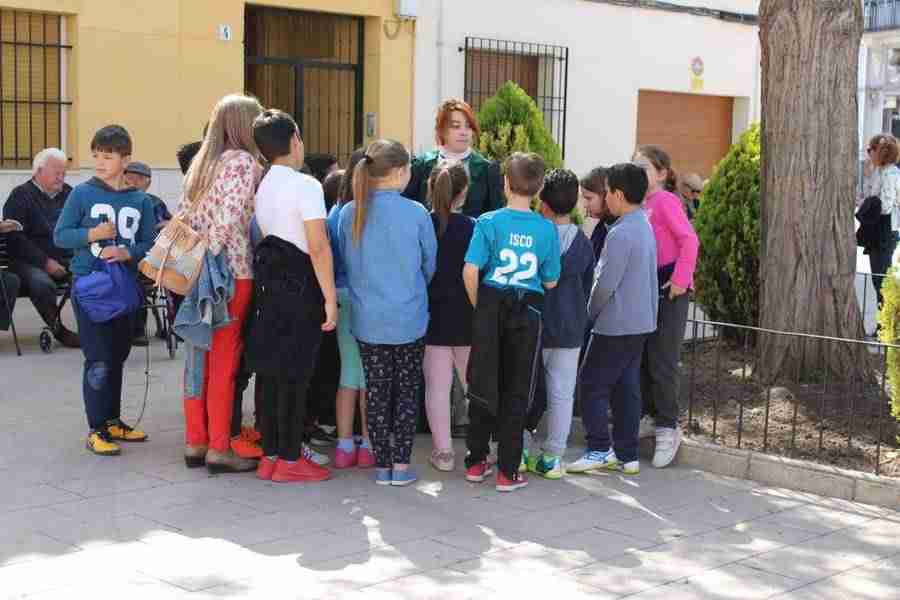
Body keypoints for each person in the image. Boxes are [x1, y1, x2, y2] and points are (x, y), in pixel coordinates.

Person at [337, 139, 438, 486]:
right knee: (407, 392)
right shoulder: (416, 213)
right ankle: (400, 466)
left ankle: (381, 467)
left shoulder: (349, 212)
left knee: (377, 393)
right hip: (409, 317)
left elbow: (347, 265)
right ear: (399, 172)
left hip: (367, 319)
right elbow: (430, 265)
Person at [247, 109, 337, 483]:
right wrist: (330, 299)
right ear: (295, 140)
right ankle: (288, 458)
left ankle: (271, 455)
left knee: (270, 372)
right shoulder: (306, 185)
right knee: (296, 373)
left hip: (269, 283)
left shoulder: (264, 183)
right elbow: (318, 246)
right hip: (301, 283)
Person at [54, 125, 156, 456]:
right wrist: (92, 235)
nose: (99, 162)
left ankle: (112, 420)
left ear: (126, 159)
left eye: (107, 156)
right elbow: (60, 235)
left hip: (125, 288)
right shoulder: (81, 194)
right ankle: (95, 428)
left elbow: (150, 243)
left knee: (117, 357)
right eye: (96, 155)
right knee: (97, 359)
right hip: (91, 287)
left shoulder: (141, 200)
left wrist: (130, 252)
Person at [463, 152, 560, 493]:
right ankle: (508, 470)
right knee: (517, 390)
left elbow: (471, 269)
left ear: (505, 182)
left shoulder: (487, 222)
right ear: (538, 189)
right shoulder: (547, 229)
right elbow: (551, 281)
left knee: (483, 382)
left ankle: (476, 461)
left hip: (491, 302)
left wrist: (481, 308)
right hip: (527, 310)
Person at [180, 94, 264, 474]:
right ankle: (218, 447)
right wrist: (213, 254)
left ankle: (195, 440)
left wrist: (196, 259)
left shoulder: (202, 161)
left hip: (195, 269)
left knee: (197, 359)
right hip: (231, 273)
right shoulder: (245, 162)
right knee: (224, 363)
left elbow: (185, 216)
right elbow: (229, 219)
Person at [567, 163, 658, 476]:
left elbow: (604, 283)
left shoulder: (619, 233)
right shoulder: (643, 224)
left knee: (591, 384)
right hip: (640, 323)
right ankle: (627, 454)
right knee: (625, 388)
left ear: (618, 194)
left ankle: (597, 449)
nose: (605, 198)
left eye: (606, 192)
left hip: (615, 324)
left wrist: (588, 314)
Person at [525, 169, 595, 480]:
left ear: (544, 205)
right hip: (570, 329)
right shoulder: (584, 243)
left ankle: (521, 446)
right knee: (562, 394)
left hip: (536, 325)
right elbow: (587, 284)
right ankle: (553, 457)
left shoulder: (536, 237)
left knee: (524, 388)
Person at [633, 145, 700, 468]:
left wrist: (679, 279)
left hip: (669, 289)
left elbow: (689, 240)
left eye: (644, 167)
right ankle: (649, 415)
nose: (638, 172)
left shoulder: (666, 201)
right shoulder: (639, 205)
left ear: (661, 173)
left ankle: (668, 426)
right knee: (645, 357)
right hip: (646, 290)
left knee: (663, 359)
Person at [423, 159, 474, 472]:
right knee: (474, 387)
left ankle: (443, 453)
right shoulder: (473, 226)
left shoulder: (422, 223)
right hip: (467, 316)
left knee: (437, 389)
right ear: (463, 192)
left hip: (432, 317)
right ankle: (480, 448)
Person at [2, 148, 79, 348]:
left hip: (67, 257)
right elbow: (15, 239)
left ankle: (97, 330)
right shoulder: (20, 195)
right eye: (57, 172)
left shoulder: (69, 193)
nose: (61, 177)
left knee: (94, 278)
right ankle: (59, 331)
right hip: (26, 262)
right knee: (41, 283)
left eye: (64, 173)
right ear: (38, 171)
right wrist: (45, 262)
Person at [329, 149, 375, 470]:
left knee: (348, 375)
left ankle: (345, 446)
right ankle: (370, 445)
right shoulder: (374, 213)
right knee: (371, 377)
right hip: (371, 300)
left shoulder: (337, 214)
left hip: (342, 295)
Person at [404, 99, 503, 219]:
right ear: (442, 130)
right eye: (456, 126)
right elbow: (408, 210)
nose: (464, 132)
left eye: (468, 126)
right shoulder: (421, 165)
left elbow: (495, 216)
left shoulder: (487, 169)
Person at [123, 161, 172, 346]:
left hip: (153, 255)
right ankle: (137, 329)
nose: (133, 182)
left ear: (148, 183)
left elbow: (171, 224)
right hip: (127, 255)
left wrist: (164, 225)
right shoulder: (118, 201)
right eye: (130, 177)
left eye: (139, 178)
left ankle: (175, 325)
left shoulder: (155, 203)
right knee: (132, 276)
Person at [861, 135, 900, 308]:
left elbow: (886, 205)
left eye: (871, 150)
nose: (868, 153)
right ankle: (883, 324)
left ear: (881, 152)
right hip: (877, 229)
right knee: (878, 279)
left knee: (882, 280)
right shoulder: (879, 171)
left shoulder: (891, 173)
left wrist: (869, 204)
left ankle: (887, 327)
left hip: (885, 230)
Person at [581, 167, 616, 261]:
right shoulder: (603, 224)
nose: (585, 205)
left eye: (589, 198)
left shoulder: (613, 230)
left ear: (605, 194)